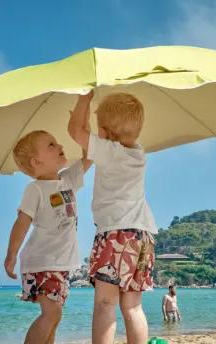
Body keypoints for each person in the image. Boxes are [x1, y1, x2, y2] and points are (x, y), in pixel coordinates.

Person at [68, 91, 157, 344]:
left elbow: (75, 131)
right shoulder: (138, 153)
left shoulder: (109, 152)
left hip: (116, 234)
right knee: (132, 307)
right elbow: (87, 139)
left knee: (106, 303)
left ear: (106, 134)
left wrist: (83, 100)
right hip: (143, 236)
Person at [4, 129, 91, 344]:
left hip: (61, 264)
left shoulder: (67, 180)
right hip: (42, 262)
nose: (60, 146)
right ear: (36, 162)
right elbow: (22, 223)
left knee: (55, 316)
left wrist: (83, 124)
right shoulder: (36, 189)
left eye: (57, 142)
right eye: (51, 145)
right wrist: (11, 255)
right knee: (51, 313)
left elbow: (89, 156)